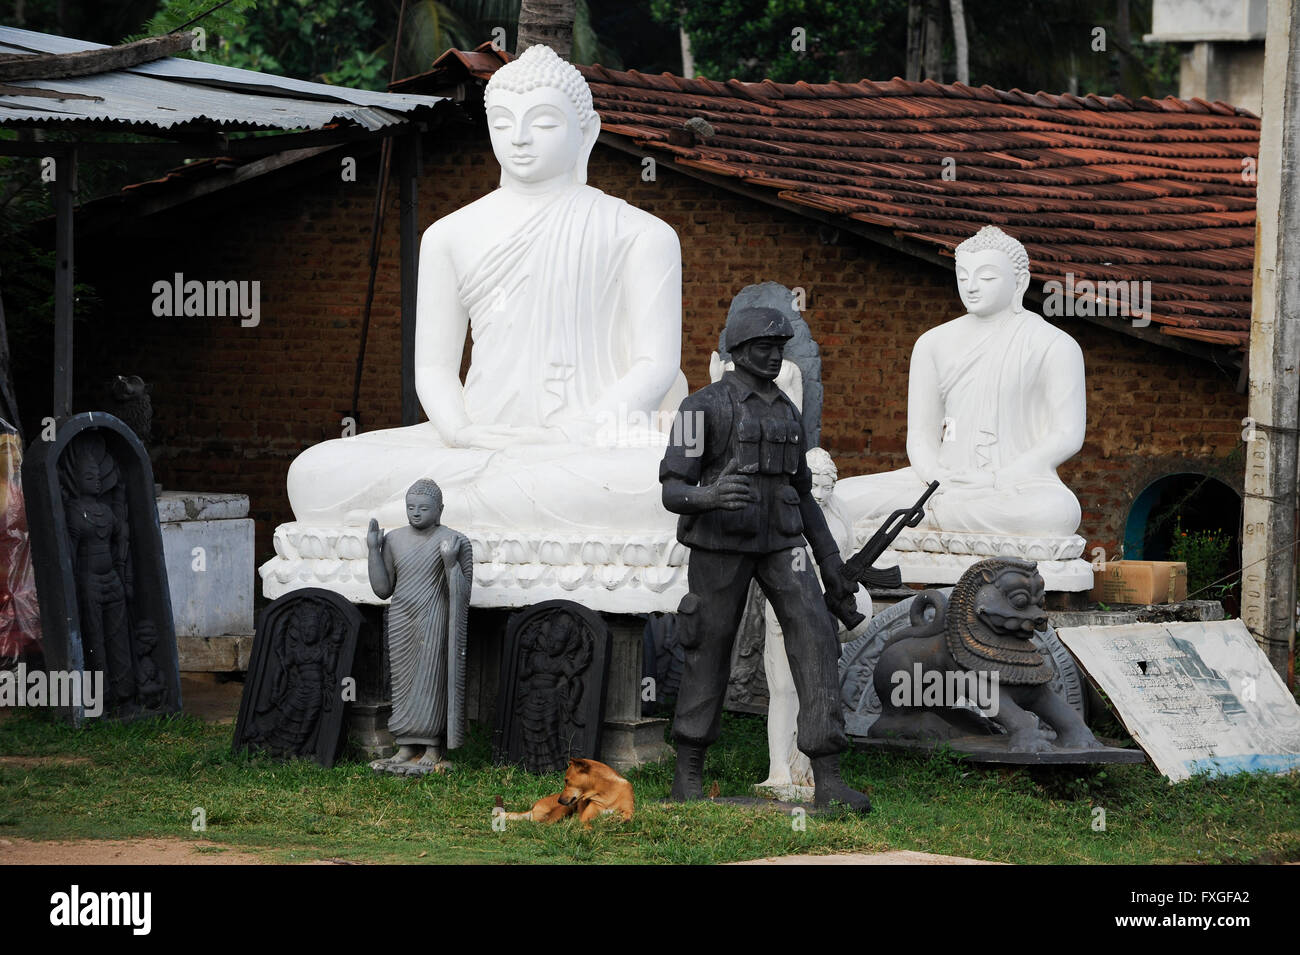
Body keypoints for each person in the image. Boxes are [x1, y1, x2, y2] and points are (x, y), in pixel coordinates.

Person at [285, 44, 683, 538]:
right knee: (314, 473)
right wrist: (461, 432)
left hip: (590, 444)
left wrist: (572, 435)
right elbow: (432, 368)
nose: (518, 139)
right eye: (502, 122)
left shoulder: (642, 233)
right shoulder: (449, 235)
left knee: (653, 479)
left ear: (588, 132)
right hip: (474, 438)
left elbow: (655, 364)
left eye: (542, 122)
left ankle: (439, 510)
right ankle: (474, 500)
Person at [659, 305, 871, 812]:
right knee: (707, 646)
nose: (775, 356)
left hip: (784, 547)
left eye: (780, 348)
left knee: (817, 638)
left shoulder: (788, 413)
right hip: (718, 547)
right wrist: (707, 497)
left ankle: (829, 776)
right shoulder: (698, 408)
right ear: (737, 351)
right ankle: (687, 775)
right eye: (763, 348)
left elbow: (802, 496)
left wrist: (832, 565)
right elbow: (671, 488)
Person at [835, 225, 1086, 539]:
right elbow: (922, 436)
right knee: (839, 499)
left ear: (1019, 282)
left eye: (987, 277)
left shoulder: (1054, 345)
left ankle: (923, 519)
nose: (972, 287)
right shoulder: (933, 343)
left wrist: (997, 479)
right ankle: (936, 512)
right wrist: (938, 478)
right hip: (941, 481)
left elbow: (1067, 435)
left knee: (1056, 513)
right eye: (963, 276)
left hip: (1014, 484)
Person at [366, 479, 472, 774]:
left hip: (434, 615)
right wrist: (374, 550)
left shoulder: (453, 540)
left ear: (440, 510)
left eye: (423, 508)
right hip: (401, 615)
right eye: (410, 507)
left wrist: (450, 563)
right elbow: (382, 589)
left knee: (431, 678)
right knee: (402, 680)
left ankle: (432, 746)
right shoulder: (395, 539)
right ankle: (405, 744)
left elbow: (462, 594)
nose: (415, 513)